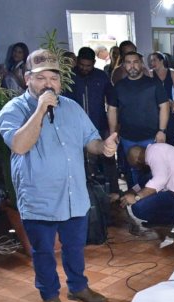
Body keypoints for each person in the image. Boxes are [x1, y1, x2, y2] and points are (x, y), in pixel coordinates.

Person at [0, 49, 118, 302]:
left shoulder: (72, 107)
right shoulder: (13, 110)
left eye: (53, 78)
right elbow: (19, 144)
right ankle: (50, 295)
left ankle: (78, 287)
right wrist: (40, 110)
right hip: (40, 197)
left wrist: (104, 147)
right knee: (44, 252)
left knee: (75, 247)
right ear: (26, 78)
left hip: (74, 195)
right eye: (41, 78)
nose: (48, 84)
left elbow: (91, 140)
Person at [108, 51, 169, 188]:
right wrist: (113, 133)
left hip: (151, 136)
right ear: (124, 65)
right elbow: (112, 109)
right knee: (132, 171)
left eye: (135, 62)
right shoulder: (119, 86)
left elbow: (164, 106)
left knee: (155, 169)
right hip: (127, 137)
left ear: (141, 64)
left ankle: (153, 199)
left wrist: (162, 130)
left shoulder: (153, 83)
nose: (132, 66)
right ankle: (135, 199)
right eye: (128, 63)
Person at [68, 47, 116, 194]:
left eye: (88, 66)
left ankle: (112, 192)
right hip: (74, 128)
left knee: (107, 158)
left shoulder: (101, 77)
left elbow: (112, 102)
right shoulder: (69, 77)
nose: (84, 68)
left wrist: (112, 129)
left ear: (94, 63)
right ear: (77, 61)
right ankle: (83, 192)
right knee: (78, 162)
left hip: (99, 124)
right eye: (82, 65)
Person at [120, 143, 174, 233]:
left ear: (138, 160)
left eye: (135, 166)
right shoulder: (155, 150)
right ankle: (164, 219)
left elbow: (160, 180)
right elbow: (145, 182)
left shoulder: (153, 153)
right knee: (146, 179)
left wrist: (136, 197)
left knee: (138, 208)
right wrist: (128, 193)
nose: (137, 169)